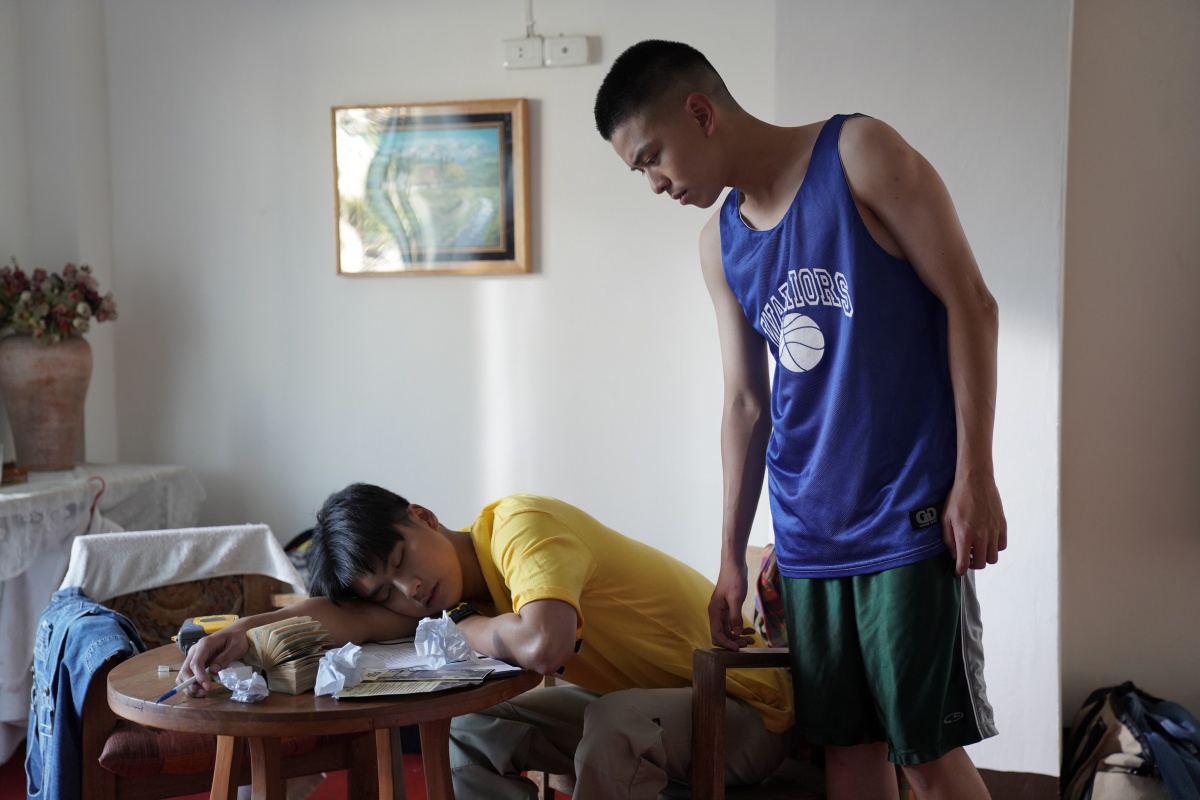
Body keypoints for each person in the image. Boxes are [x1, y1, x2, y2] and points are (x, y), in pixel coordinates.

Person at [594, 40, 1007, 800]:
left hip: (906, 516)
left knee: (925, 757)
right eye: (638, 171)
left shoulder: (859, 155)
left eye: (652, 158)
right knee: (847, 757)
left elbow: (972, 305)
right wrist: (730, 555)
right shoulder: (720, 244)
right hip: (807, 537)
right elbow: (746, 404)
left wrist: (974, 475)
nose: (654, 183)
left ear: (700, 113)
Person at [178, 483, 792, 800]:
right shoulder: (438, 596)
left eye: (402, 560)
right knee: (473, 725)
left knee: (616, 723)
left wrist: (466, 627)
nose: (409, 589)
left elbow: (544, 644)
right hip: (658, 707)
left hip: (745, 711)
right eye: (386, 591)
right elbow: (350, 620)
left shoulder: (521, 527)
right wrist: (238, 635)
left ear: (423, 516)